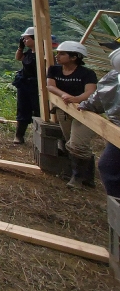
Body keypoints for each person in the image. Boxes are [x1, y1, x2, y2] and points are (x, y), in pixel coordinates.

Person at [46, 40, 98, 188]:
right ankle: (86, 177)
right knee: (71, 141)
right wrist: (65, 96)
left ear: (74, 57)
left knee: (77, 143)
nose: (58, 56)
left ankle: (77, 178)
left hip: (84, 112)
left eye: (62, 54)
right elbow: (50, 86)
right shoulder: (54, 70)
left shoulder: (87, 73)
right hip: (64, 109)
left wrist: (76, 99)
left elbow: (90, 92)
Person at [83, 44, 120, 196]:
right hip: (117, 130)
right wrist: (85, 105)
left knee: (108, 166)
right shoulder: (113, 78)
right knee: (108, 166)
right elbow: (99, 97)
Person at [13, 27, 40, 144]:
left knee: (39, 110)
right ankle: (19, 135)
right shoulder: (29, 53)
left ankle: (39, 136)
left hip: (37, 84)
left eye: (26, 38)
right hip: (25, 84)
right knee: (23, 109)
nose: (24, 40)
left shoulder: (42, 54)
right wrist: (21, 46)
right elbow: (18, 58)